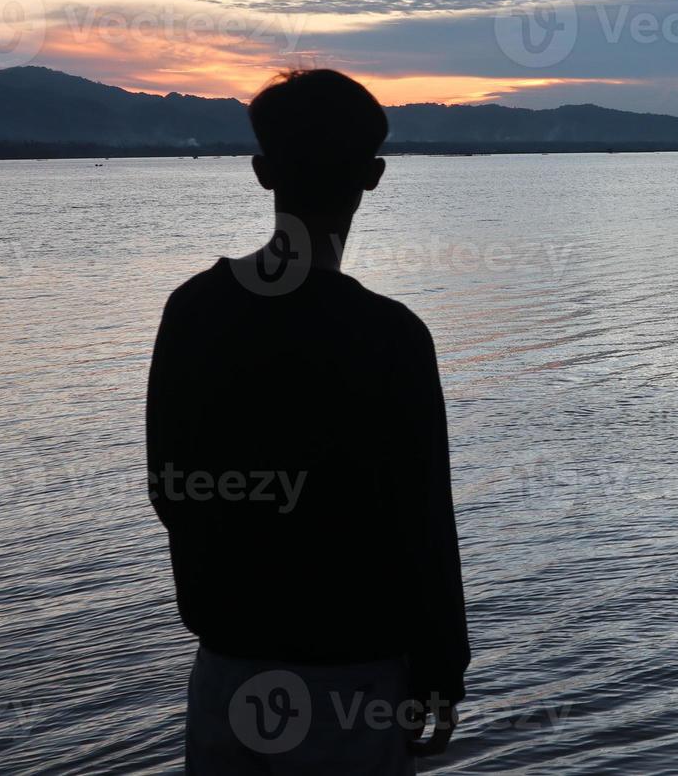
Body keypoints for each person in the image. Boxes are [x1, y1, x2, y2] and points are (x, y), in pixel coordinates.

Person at [147, 69, 470, 775]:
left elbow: (172, 492)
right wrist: (443, 675)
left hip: (229, 679)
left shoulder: (193, 312)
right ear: (374, 175)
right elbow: (424, 525)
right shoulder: (391, 337)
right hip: (354, 686)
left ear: (263, 172)